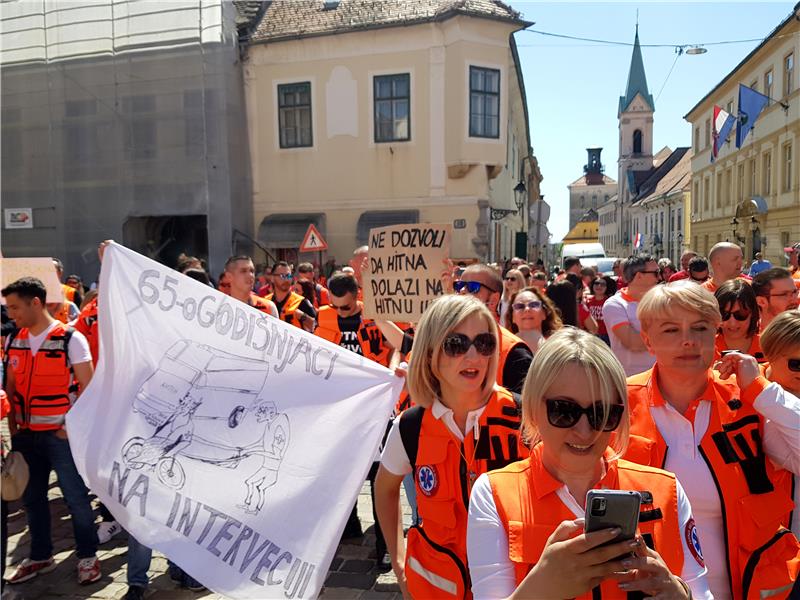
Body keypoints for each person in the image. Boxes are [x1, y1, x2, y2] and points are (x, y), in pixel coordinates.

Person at [467, 328, 710, 599]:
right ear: (534, 407)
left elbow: (701, 591)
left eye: (601, 413)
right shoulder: (494, 492)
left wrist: (681, 594)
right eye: (564, 411)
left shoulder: (667, 490)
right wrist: (540, 588)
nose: (584, 431)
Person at [625, 282, 800, 599]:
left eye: (700, 327)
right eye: (670, 330)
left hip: (743, 589)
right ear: (648, 342)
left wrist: (761, 390)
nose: (688, 340)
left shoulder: (747, 401)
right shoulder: (618, 406)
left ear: (715, 335)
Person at [375, 294, 528, 599]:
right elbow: (384, 489)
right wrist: (401, 562)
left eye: (483, 343)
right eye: (456, 344)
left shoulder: (526, 419)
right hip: (436, 590)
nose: (473, 356)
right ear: (430, 352)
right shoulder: (410, 426)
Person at [2, 278, 101, 585]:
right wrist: (15, 428)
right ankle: (41, 556)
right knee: (32, 500)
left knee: (75, 499)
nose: (11, 313)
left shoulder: (70, 339)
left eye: (15, 307)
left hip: (61, 438)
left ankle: (88, 557)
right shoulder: (12, 340)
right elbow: (12, 387)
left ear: (36, 303)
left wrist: (70, 429)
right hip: (26, 437)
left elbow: (89, 389)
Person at [315, 273, 395, 563]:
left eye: (345, 308)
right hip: (342, 408)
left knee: (379, 476)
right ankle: (348, 528)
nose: (339, 312)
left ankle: (384, 545)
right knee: (340, 471)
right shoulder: (322, 318)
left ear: (357, 296)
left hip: (377, 407)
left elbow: (397, 346)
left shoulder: (378, 318)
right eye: (334, 307)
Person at [455, 264, 532, 394]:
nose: (462, 291)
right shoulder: (444, 339)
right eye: (458, 286)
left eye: (473, 287)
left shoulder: (515, 353)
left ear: (494, 299)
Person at [601, 254, 660, 376]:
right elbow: (633, 343)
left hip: (661, 378)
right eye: (656, 272)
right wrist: (670, 335)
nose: (659, 277)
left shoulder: (662, 301)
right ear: (639, 276)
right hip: (629, 380)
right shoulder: (615, 304)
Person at [713, 279, 765, 363]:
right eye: (724, 315)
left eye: (740, 314)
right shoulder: (705, 349)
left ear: (753, 313)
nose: (732, 322)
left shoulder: (769, 347)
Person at [503, 287, 562, 353]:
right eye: (519, 306)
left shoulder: (559, 347)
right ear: (512, 317)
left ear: (544, 314)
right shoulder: (503, 349)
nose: (527, 309)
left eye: (533, 305)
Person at [266, 261, 316, 330]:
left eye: (289, 276)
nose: (286, 279)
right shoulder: (266, 302)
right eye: (282, 276)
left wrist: (303, 317)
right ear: (272, 278)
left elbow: (316, 326)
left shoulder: (302, 302)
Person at [586, 275, 613, 345]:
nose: (599, 286)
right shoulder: (587, 301)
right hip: (591, 336)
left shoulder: (610, 302)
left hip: (607, 337)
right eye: (597, 283)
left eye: (603, 284)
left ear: (607, 287)